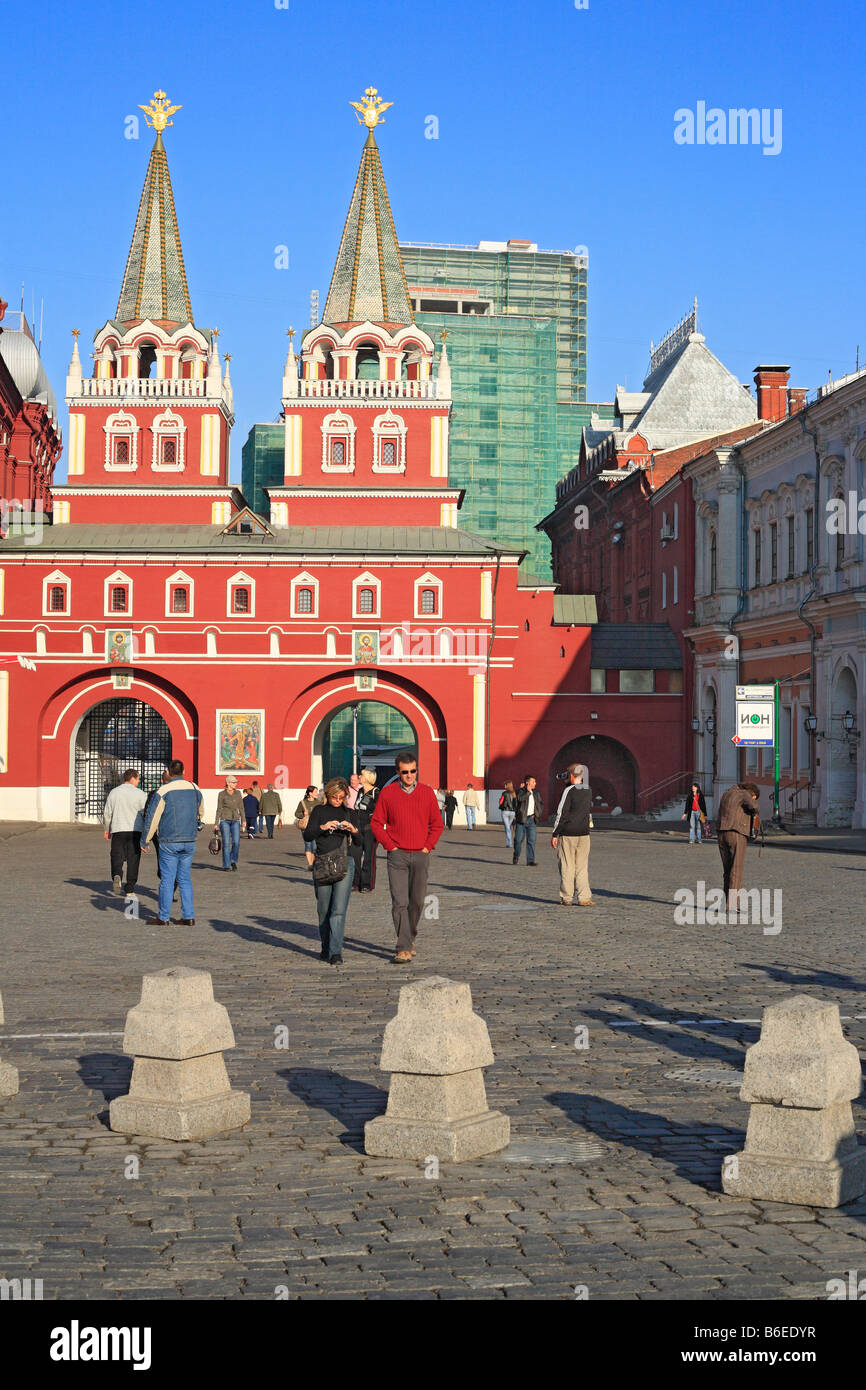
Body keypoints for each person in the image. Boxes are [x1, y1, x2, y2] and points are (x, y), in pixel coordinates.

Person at [371, 750, 443, 964]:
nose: (410, 775)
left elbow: (437, 824)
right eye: (405, 772)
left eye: (413, 771)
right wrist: (390, 846)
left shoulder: (427, 793)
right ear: (398, 772)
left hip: (421, 854)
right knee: (399, 901)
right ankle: (403, 947)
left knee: (417, 902)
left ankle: (410, 936)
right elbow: (376, 823)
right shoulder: (388, 793)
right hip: (397, 856)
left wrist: (428, 847)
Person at [302, 777, 361, 965]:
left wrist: (353, 830)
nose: (338, 800)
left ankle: (336, 952)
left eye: (341, 797)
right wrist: (323, 827)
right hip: (323, 863)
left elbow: (361, 844)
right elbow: (308, 834)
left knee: (338, 910)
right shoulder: (319, 811)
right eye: (335, 797)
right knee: (323, 910)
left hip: (345, 863)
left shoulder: (349, 812)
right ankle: (325, 946)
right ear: (328, 795)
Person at [142, 759, 203, 926]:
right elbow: (201, 811)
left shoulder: (164, 790)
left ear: (168, 772)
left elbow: (153, 817)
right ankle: (188, 916)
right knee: (185, 879)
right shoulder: (194, 787)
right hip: (189, 839)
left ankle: (163, 917)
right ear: (184, 771)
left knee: (167, 880)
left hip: (169, 840)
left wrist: (145, 839)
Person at [551, 763, 594, 906]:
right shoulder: (588, 790)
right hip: (584, 833)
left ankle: (567, 897)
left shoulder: (568, 791)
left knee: (567, 866)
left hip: (568, 833)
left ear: (570, 775)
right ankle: (584, 897)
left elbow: (562, 813)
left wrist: (555, 833)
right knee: (582, 867)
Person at [717, 782, 761, 911]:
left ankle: (724, 903)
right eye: (754, 797)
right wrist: (752, 804)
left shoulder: (726, 793)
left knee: (727, 870)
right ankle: (732, 905)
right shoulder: (743, 794)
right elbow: (754, 807)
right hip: (736, 833)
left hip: (721, 833)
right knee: (736, 870)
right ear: (752, 793)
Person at [102, 769, 147, 896]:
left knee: (117, 855)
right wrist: (146, 834)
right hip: (135, 830)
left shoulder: (114, 792)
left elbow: (107, 813)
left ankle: (117, 875)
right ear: (133, 778)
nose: (139, 781)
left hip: (118, 828)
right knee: (133, 858)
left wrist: (107, 829)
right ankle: (130, 888)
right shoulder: (140, 794)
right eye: (138, 778)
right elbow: (145, 814)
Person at [354, 768, 379, 892]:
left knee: (368, 857)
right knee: (355, 855)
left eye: (361, 775)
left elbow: (381, 811)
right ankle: (356, 882)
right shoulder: (359, 791)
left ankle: (366, 884)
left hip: (370, 829)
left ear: (367, 778)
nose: (359, 776)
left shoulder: (376, 792)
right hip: (358, 828)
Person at [215, 776, 244, 870]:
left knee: (236, 842)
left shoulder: (238, 793)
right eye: (233, 782)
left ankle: (233, 860)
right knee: (226, 843)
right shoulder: (221, 794)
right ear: (228, 783)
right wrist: (216, 823)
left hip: (235, 820)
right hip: (224, 820)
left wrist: (244, 820)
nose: (236, 784)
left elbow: (241, 807)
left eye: (236, 782)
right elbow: (219, 808)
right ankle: (226, 865)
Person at [513, 775, 543, 866]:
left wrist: (538, 813)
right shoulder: (520, 791)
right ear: (527, 783)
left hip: (532, 820)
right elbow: (520, 799)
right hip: (521, 820)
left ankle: (530, 861)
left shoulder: (536, 792)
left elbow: (540, 803)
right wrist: (528, 792)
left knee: (531, 840)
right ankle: (516, 855)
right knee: (518, 840)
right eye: (533, 782)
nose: (535, 783)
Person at [296, 785, 321, 869]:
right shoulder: (303, 802)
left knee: (314, 846)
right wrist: (303, 814)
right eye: (315, 792)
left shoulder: (318, 803)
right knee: (308, 845)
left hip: (315, 827)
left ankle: (313, 862)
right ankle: (310, 864)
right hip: (305, 827)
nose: (317, 793)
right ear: (310, 793)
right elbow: (296, 813)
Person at [499, 780, 517, 850]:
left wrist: (500, 801)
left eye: (505, 785)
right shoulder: (514, 793)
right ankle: (509, 843)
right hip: (513, 812)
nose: (504, 786)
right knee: (508, 827)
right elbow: (516, 803)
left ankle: (509, 843)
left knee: (507, 828)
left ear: (507, 786)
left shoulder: (504, 793)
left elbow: (500, 802)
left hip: (505, 812)